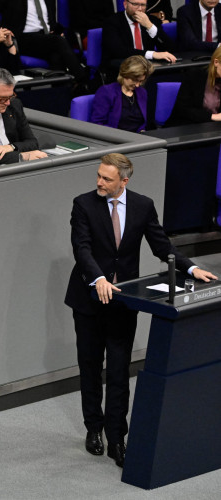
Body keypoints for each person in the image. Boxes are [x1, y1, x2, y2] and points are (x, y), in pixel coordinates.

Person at [64, 153, 216, 467]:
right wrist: (99, 277)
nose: (99, 182)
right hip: (89, 300)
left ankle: (117, 437)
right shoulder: (83, 204)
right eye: (98, 176)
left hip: (123, 302)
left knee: (119, 372)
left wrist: (190, 268)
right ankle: (94, 428)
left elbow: (162, 246)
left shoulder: (142, 206)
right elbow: (82, 248)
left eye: (106, 178)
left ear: (124, 181)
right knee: (91, 369)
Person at [0, 0, 88, 85]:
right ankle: (83, 79)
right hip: (22, 38)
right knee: (58, 41)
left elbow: (51, 22)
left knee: (56, 55)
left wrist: (57, 30)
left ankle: (59, 93)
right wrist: (2, 30)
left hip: (44, 38)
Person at [102, 0, 177, 70]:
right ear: (125, 4)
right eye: (135, 4)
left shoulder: (151, 20)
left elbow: (169, 48)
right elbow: (118, 51)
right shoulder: (112, 22)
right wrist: (152, 54)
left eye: (143, 5)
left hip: (147, 69)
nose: (140, 9)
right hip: (121, 69)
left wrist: (150, 26)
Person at [90, 56, 154, 133]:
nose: (137, 85)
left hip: (137, 138)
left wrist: (142, 131)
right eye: (135, 80)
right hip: (114, 138)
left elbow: (142, 123)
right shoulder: (106, 92)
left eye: (140, 81)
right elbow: (97, 123)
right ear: (125, 74)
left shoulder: (142, 92)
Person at [165, 45, 221, 126]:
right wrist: (212, 117)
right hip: (188, 126)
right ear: (216, 62)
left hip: (215, 128)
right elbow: (183, 110)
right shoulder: (195, 75)